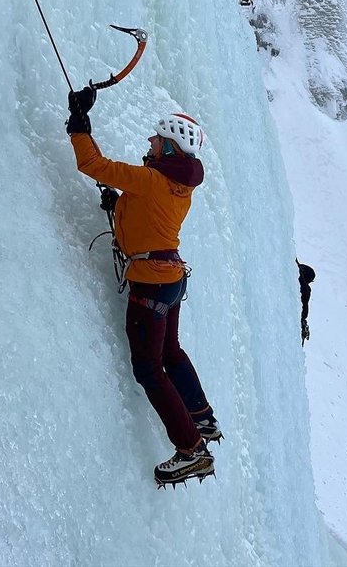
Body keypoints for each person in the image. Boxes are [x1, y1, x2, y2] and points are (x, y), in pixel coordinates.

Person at [66, 86, 219, 487]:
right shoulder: (179, 185)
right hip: (170, 279)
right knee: (170, 351)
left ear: (169, 148)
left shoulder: (150, 179)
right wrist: (119, 205)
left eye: (157, 138)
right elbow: (148, 214)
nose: (150, 141)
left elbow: (92, 164)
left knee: (148, 368)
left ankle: (191, 450)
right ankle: (202, 417)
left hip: (151, 285)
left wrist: (78, 124)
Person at [297, 261, 316, 344]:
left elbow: (300, 276)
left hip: (298, 324)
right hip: (300, 325)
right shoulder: (306, 290)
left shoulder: (304, 289)